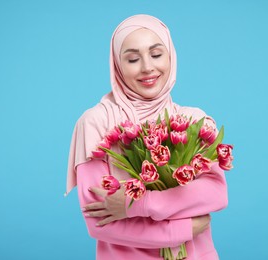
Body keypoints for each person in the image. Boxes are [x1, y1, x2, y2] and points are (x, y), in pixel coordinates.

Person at [66, 14, 228, 260]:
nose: (147, 67)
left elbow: (215, 193)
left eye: (156, 54)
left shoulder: (193, 121)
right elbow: (100, 221)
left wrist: (138, 205)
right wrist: (180, 229)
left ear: (170, 56)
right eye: (132, 59)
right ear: (117, 65)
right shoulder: (96, 123)